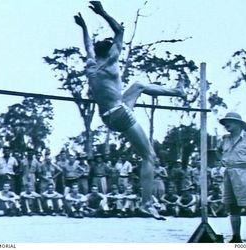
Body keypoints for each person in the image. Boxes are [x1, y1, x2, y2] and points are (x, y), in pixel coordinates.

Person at [74, 1, 185, 214]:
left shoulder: (91, 64)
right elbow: (120, 30)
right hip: (120, 113)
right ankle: (146, 203)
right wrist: (103, 12)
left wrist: (84, 26)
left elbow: (88, 45)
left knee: (139, 85)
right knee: (149, 156)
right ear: (110, 51)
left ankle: (177, 92)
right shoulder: (111, 62)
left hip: (108, 116)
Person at [217, 112, 246, 243]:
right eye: (225, 122)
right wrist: (222, 161)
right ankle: (236, 238)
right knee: (232, 206)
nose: (227, 124)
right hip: (229, 174)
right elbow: (218, 151)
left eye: (230, 121)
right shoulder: (225, 139)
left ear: (238, 124)